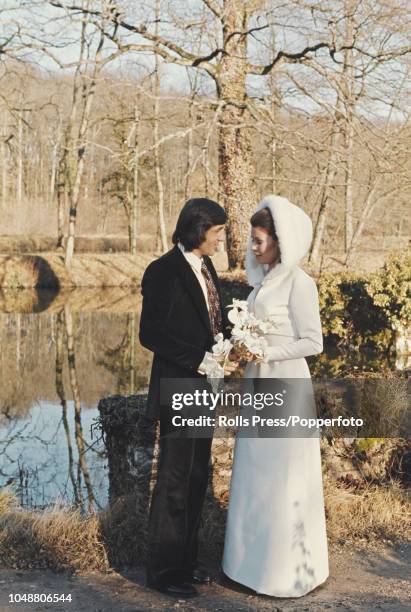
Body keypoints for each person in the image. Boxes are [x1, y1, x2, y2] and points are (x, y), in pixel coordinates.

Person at [222, 195, 329, 597]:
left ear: (281, 241)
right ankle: (248, 563)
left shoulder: (301, 283)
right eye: (251, 239)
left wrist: (267, 351)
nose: (252, 246)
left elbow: (312, 342)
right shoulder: (262, 282)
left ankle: (283, 572)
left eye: (259, 239)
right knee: (255, 471)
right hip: (258, 382)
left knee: (284, 475)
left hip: (284, 382)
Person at [139, 198, 237, 598]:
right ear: (198, 231)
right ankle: (163, 572)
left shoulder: (207, 266)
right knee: (175, 479)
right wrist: (199, 359)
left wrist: (233, 341)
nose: (220, 241)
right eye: (217, 233)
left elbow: (211, 319)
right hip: (179, 386)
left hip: (204, 388)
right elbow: (152, 335)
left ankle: (186, 562)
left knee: (197, 476)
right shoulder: (162, 272)